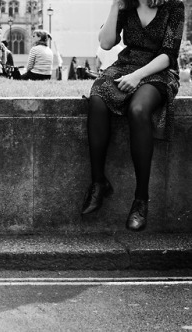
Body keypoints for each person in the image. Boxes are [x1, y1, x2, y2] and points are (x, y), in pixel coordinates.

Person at [81, 0, 184, 231]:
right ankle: (98, 183)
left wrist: (138, 76)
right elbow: (107, 43)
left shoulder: (174, 7)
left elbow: (169, 54)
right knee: (97, 98)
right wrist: (115, 5)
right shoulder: (126, 5)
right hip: (125, 66)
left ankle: (140, 200)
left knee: (138, 110)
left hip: (159, 71)